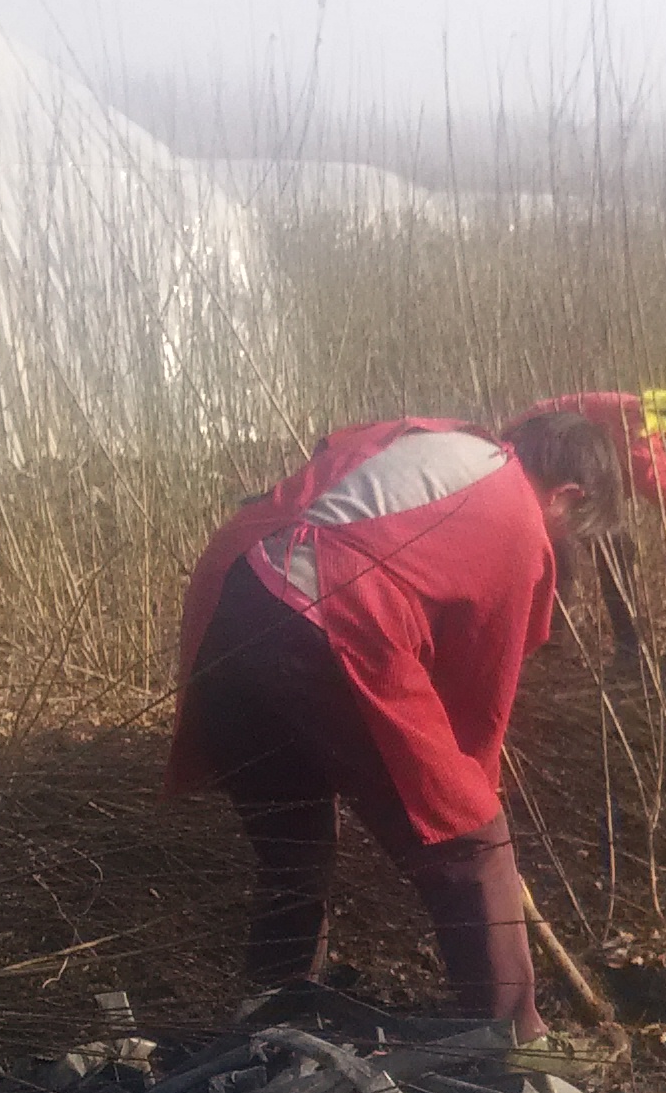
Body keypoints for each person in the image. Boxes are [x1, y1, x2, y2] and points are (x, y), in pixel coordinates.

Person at [166, 412, 622, 1038]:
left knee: (295, 844)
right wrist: (475, 806)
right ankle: (515, 1043)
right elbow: (476, 708)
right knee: (473, 840)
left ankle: (272, 1014)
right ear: (568, 494)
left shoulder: (448, 448)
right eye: (573, 523)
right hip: (325, 616)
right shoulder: (517, 513)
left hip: (233, 601)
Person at [537, 384, 666, 651]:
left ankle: (619, 645)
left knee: (614, 549)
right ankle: (548, 645)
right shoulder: (637, 425)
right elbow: (654, 481)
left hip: (578, 481)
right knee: (569, 557)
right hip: (539, 458)